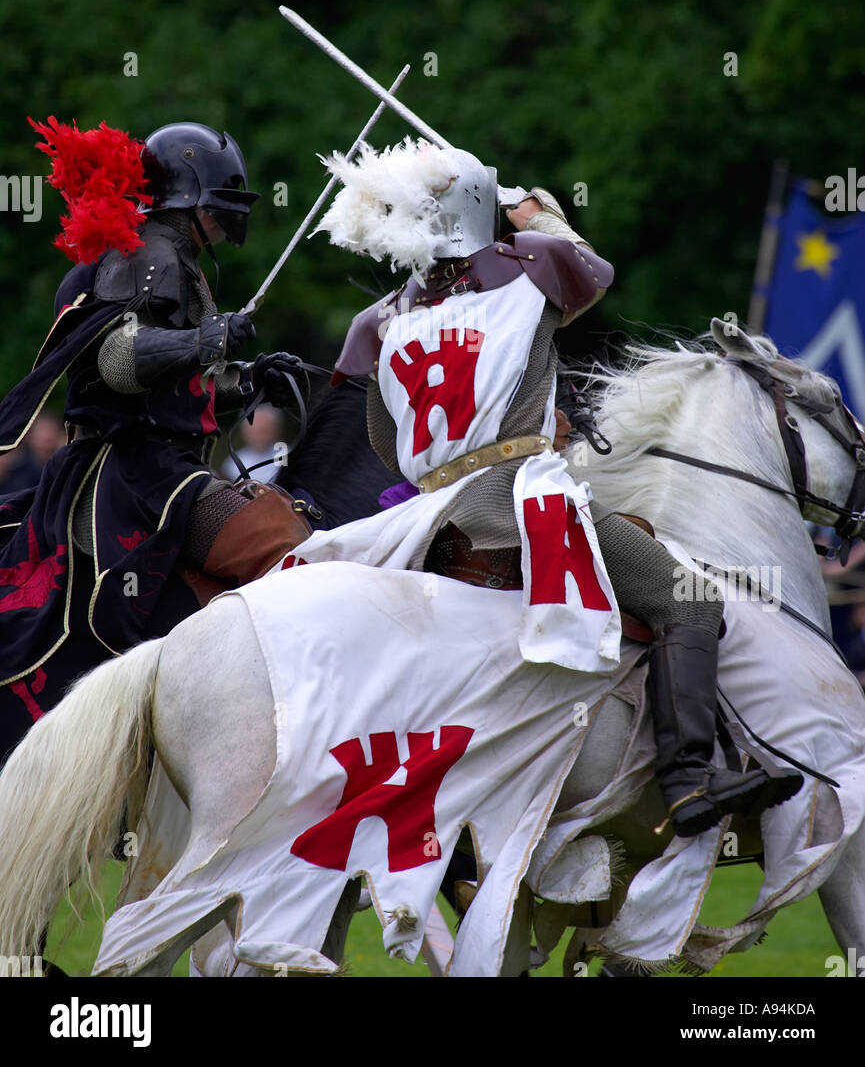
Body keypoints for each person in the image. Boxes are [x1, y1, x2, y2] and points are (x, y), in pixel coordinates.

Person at [307, 138, 802, 837]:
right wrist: (537, 212)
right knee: (686, 599)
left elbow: (386, 444)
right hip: (512, 499)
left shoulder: (377, 320)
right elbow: (592, 272)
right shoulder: (528, 268)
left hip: (424, 517)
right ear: (485, 211)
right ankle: (691, 779)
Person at [0, 119, 309, 762]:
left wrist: (248, 382)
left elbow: (174, 393)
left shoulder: (171, 255)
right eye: (223, 202)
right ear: (194, 197)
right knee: (278, 539)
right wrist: (208, 340)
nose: (229, 216)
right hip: (132, 472)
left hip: (153, 457)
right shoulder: (149, 252)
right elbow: (118, 359)